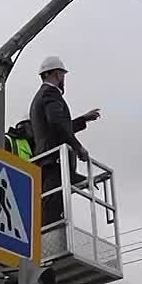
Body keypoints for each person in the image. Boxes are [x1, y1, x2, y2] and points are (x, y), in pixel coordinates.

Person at [28, 55, 101, 224]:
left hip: (48, 161)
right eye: (63, 75)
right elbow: (57, 124)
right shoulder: (50, 94)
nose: (64, 80)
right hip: (54, 161)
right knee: (52, 210)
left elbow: (57, 127)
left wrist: (83, 119)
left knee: (51, 204)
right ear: (57, 74)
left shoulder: (41, 96)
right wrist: (78, 147)